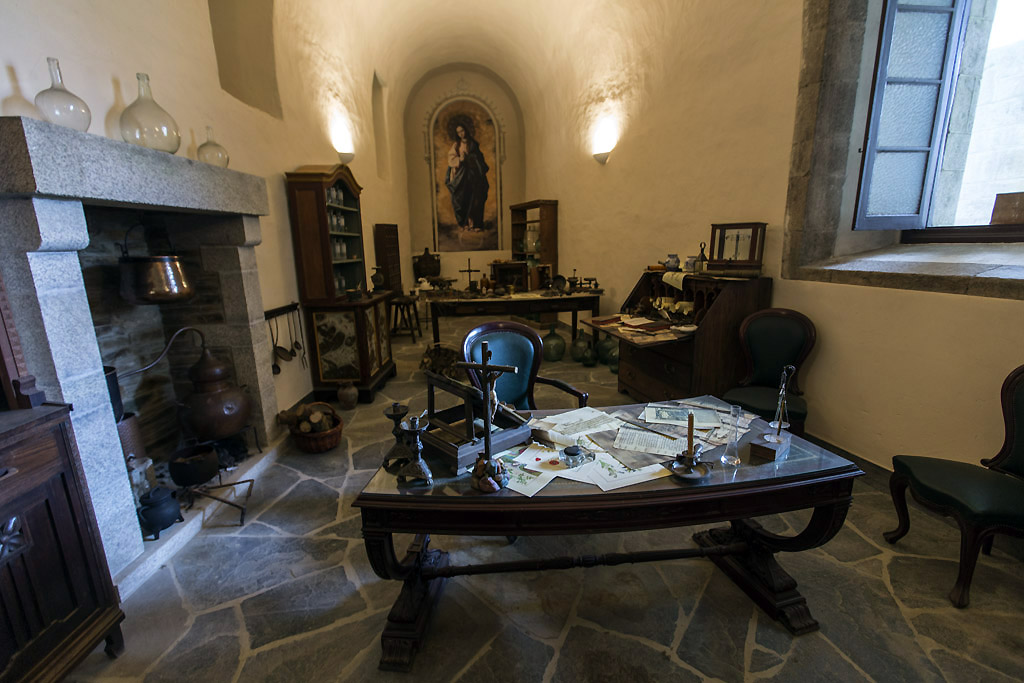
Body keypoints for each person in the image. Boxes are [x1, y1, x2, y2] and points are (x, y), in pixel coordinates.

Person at [445, 115, 489, 230]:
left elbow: (479, 158)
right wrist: (460, 159)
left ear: (466, 130)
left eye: (462, 131)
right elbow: (451, 159)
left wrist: (471, 158)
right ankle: (465, 223)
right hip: (462, 176)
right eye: (458, 132)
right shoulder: (456, 145)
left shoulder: (473, 144)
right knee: (462, 198)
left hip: (474, 175)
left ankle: (476, 224)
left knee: (476, 198)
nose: (461, 134)